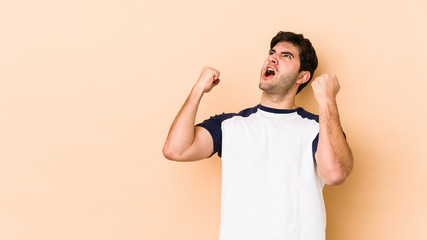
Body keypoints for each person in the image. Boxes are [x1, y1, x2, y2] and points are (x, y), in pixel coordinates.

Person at [163, 31, 353, 240]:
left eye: (286, 55)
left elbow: (335, 174)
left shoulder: (318, 128)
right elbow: (175, 149)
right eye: (272, 52)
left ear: (303, 76)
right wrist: (198, 88)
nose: (272, 58)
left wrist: (327, 101)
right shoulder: (229, 125)